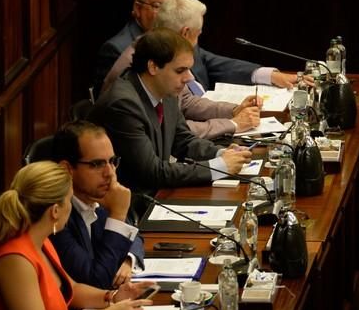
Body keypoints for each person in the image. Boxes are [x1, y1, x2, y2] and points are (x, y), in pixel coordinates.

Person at [0, 161, 152, 310]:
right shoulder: (15, 260)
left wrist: (112, 297)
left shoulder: (41, 241)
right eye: (69, 201)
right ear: (55, 211)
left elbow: (72, 290)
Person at [89, 28, 252, 199]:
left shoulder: (166, 90)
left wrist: (221, 153)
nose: (189, 78)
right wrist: (218, 167)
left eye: (189, 69)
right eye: (180, 70)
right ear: (153, 67)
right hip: (131, 202)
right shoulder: (123, 104)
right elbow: (152, 172)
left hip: (157, 193)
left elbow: (183, 140)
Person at [93, 0, 300, 97]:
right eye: (159, 5)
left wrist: (269, 75)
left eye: (174, 3)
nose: (168, 11)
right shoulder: (119, 50)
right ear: (137, 8)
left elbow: (212, 62)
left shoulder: (178, 38)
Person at [102, 0, 261, 140]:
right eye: (198, 34)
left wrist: (233, 110)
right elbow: (168, 130)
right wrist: (233, 124)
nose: (188, 77)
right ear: (185, 33)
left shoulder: (163, 50)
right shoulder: (145, 60)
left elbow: (185, 101)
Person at [49, 121, 145, 289]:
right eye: (97, 164)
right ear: (67, 169)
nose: (110, 173)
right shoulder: (55, 218)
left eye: (112, 161)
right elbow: (97, 281)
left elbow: (134, 236)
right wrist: (117, 215)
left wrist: (128, 260)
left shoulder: (97, 197)